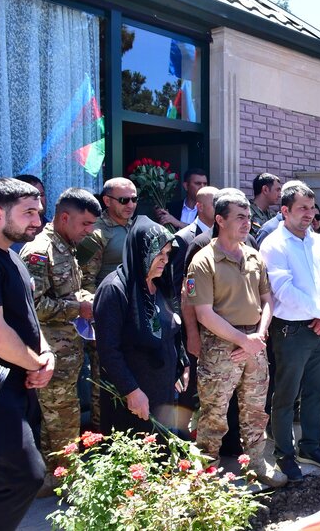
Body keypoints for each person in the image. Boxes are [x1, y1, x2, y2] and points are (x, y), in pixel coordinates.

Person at [186, 192, 286, 487]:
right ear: (219, 220)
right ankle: (206, 476)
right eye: (239, 217)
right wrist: (244, 341)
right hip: (221, 347)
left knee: (256, 412)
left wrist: (259, 334)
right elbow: (203, 313)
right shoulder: (203, 261)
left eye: (248, 217)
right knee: (214, 415)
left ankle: (257, 465)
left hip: (255, 341)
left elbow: (268, 300)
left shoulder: (254, 256)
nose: (247, 223)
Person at [0, 178, 53, 529]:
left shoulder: (11, 256)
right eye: (28, 213)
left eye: (38, 211)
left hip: (20, 384)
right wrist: (37, 364)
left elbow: (28, 317)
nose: (37, 220)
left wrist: (46, 353)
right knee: (27, 476)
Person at [19, 188, 100, 494]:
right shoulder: (40, 250)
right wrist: (78, 307)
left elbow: (64, 292)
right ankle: (67, 481)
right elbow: (34, 306)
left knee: (59, 418)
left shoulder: (64, 245)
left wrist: (83, 299)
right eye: (85, 224)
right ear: (65, 217)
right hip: (50, 353)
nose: (89, 231)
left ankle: (49, 479)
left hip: (68, 351)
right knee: (61, 420)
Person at [260, 183, 320, 483]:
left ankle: (310, 447)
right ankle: (284, 453)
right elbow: (283, 290)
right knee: (285, 396)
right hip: (292, 331)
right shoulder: (273, 245)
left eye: (312, 207)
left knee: (316, 393)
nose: (310, 214)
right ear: (284, 211)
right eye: (302, 209)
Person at [94, 216, 188, 435]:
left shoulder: (160, 283)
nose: (165, 260)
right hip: (133, 396)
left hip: (162, 389)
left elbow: (173, 327)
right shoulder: (115, 290)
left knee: (162, 454)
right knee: (135, 457)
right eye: (159, 254)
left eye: (168, 254)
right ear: (141, 252)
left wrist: (181, 362)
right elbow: (108, 350)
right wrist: (131, 391)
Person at [77, 176, 138, 429]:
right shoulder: (95, 234)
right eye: (124, 200)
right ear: (107, 200)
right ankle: (102, 433)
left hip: (133, 315)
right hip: (107, 314)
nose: (130, 205)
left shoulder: (136, 226)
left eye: (134, 199)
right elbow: (85, 280)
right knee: (105, 377)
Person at [170, 185, 217, 433]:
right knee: (192, 382)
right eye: (214, 203)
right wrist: (188, 330)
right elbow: (179, 287)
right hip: (193, 325)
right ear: (199, 207)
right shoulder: (185, 238)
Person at [11, 174, 49, 253]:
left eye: (41, 195)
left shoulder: (55, 230)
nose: (40, 200)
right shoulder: (10, 237)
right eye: (34, 196)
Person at [250, 173, 282, 239]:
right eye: (277, 190)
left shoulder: (273, 216)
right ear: (265, 189)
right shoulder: (247, 214)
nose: (280, 195)